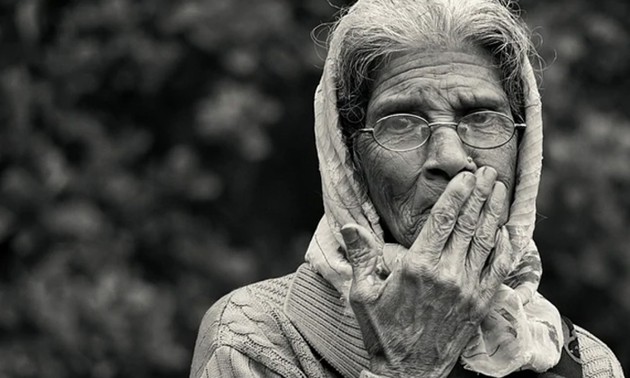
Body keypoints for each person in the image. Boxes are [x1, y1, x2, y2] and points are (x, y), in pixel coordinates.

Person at [190, 0, 625, 377]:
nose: (451, 157)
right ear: (350, 158)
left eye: (481, 117)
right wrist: (410, 366)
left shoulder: (588, 364)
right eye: (401, 122)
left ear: (523, 147)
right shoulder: (255, 340)